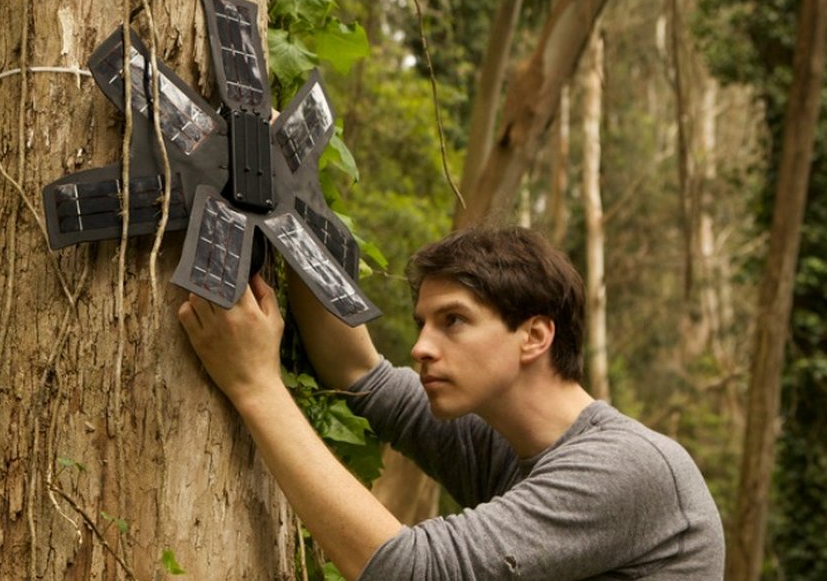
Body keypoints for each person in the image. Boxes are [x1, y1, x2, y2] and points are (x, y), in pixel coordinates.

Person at [176, 226, 724, 580]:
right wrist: (287, 206)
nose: (420, 347)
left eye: (453, 321)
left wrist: (256, 386)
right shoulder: (505, 441)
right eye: (422, 324)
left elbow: (410, 572)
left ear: (534, 336)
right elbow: (359, 375)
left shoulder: (626, 468)